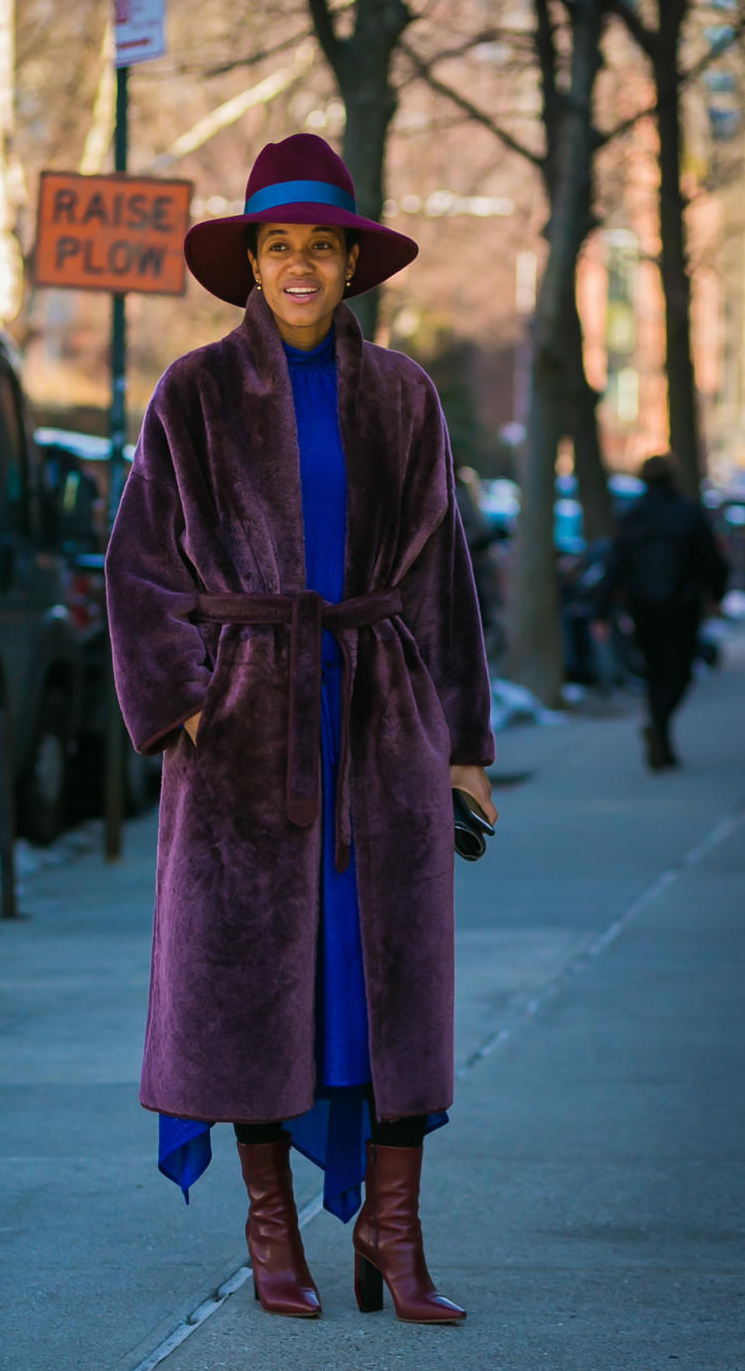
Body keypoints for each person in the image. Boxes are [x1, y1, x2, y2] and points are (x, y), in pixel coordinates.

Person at [105, 134, 497, 1324]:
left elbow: (442, 583)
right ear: (253, 262)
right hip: (243, 741)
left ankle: (395, 1231)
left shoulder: (404, 396)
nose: (300, 267)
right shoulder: (195, 391)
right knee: (251, 989)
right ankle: (271, 1233)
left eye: (320, 248)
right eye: (279, 247)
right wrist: (186, 705)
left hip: (377, 723)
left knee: (385, 983)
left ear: (348, 263)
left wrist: (464, 747)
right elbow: (137, 569)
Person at [597, 452, 727, 769]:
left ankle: (660, 734)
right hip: (682, 605)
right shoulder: (688, 513)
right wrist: (717, 594)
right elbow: (709, 558)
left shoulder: (633, 515)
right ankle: (660, 725)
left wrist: (602, 607)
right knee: (679, 671)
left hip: (642, 606)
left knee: (655, 671)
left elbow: (616, 563)